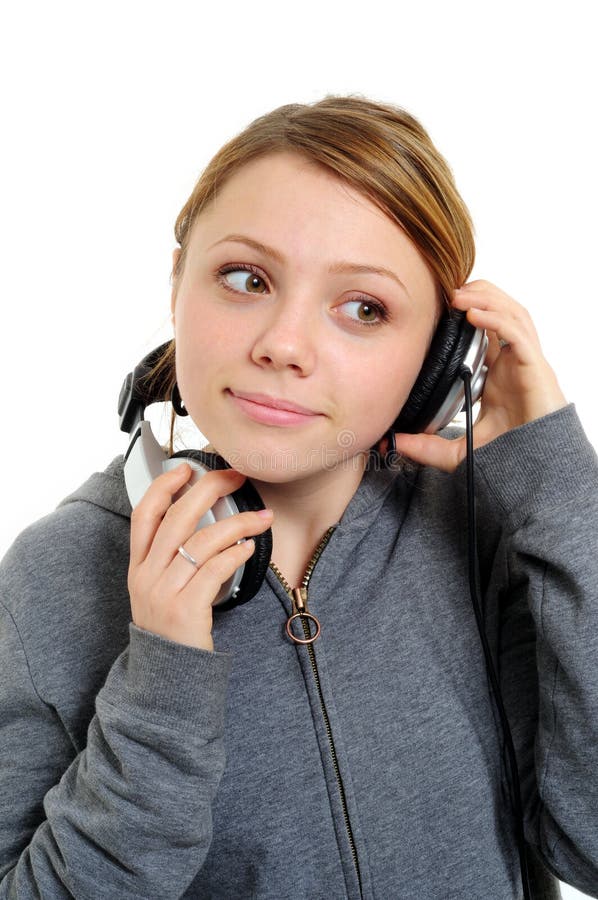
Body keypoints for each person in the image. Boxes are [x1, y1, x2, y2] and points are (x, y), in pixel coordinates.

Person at [1, 95, 597, 900]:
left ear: (438, 358)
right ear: (177, 284)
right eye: (246, 279)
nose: (284, 345)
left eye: (364, 308)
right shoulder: (51, 576)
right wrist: (162, 689)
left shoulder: (490, 527)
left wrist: (560, 494)